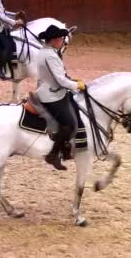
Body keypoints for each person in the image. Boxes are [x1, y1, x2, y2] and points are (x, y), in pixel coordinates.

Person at [36, 25, 86, 170]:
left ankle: (66, 149)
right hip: (51, 94)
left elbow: (60, 75)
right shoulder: (50, 55)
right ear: (51, 40)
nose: (62, 42)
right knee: (69, 124)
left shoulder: (47, 51)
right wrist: (77, 86)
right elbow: (60, 80)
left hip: (56, 90)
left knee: (75, 108)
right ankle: (53, 154)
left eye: (61, 39)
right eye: (59, 39)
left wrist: (72, 79)